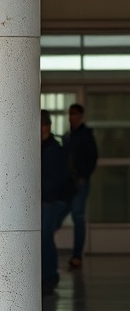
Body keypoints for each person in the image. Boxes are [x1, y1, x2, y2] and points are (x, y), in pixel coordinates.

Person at [62, 103, 98, 269]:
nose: (71, 117)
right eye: (70, 114)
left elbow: (92, 157)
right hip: (67, 184)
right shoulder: (68, 136)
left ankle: (77, 255)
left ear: (81, 115)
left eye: (75, 114)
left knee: (78, 215)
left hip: (79, 182)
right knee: (60, 214)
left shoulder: (85, 135)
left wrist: (84, 176)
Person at [42, 109, 73, 295]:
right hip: (49, 200)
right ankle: (48, 276)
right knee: (45, 238)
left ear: (46, 127)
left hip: (51, 201)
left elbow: (54, 180)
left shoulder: (53, 149)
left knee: (45, 238)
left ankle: (49, 277)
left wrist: (47, 198)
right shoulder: (45, 147)